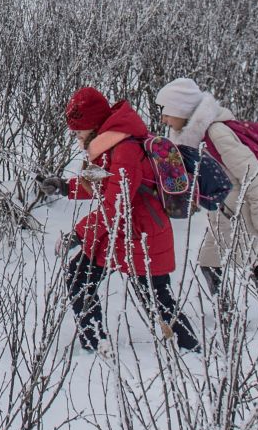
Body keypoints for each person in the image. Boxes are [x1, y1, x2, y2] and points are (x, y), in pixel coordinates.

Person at [44, 85, 200, 353]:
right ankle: (95, 344)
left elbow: (115, 203)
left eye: (78, 130)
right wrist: (62, 186)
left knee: (156, 298)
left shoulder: (124, 149)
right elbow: (100, 184)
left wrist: (79, 234)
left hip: (143, 233)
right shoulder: (110, 144)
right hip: (121, 232)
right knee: (80, 277)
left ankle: (190, 348)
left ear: (93, 125)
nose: (77, 136)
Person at [153, 77, 258, 311]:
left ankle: (232, 319)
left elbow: (253, 174)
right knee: (250, 263)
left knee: (218, 263)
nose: (163, 119)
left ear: (182, 110)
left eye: (166, 112)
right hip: (225, 213)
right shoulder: (192, 137)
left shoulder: (216, 133)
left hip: (241, 212)